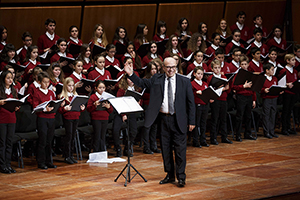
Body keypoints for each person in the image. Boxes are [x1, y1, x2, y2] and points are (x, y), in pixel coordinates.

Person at [124, 57, 195, 187]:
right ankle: (170, 174)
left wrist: (192, 121)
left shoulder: (184, 81)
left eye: (173, 67)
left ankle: (181, 176)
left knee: (180, 151)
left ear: (177, 66)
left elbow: (191, 103)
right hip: (163, 119)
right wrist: (130, 74)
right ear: (163, 67)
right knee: (166, 149)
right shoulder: (157, 79)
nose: (171, 69)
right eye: (168, 67)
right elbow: (142, 83)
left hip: (179, 119)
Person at [32, 71, 63, 169]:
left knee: (50, 140)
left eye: (48, 82)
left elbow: (54, 103)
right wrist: (45, 109)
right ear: (40, 82)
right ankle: (41, 162)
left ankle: (49, 161)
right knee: (43, 140)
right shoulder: (37, 93)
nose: (46, 84)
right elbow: (35, 107)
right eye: (44, 82)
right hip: (42, 118)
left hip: (51, 118)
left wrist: (59, 105)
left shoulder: (51, 93)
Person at [58, 77, 85, 164]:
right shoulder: (62, 96)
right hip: (68, 118)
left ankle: (71, 155)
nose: (71, 87)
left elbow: (78, 107)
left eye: (72, 86)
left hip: (76, 117)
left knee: (73, 136)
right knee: (68, 137)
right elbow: (59, 110)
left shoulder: (75, 95)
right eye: (69, 86)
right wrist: (64, 108)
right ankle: (67, 156)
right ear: (65, 86)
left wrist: (82, 109)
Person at [206, 60, 232, 145]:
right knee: (215, 119)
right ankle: (213, 138)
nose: (217, 69)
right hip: (215, 100)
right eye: (215, 68)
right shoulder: (211, 78)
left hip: (223, 100)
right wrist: (221, 89)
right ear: (212, 69)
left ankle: (224, 137)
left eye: (218, 68)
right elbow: (209, 89)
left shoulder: (224, 77)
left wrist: (227, 88)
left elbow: (228, 90)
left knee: (223, 119)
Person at [232, 55, 257, 141]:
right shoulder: (238, 75)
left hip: (249, 96)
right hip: (241, 97)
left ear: (248, 64)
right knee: (239, 116)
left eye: (245, 64)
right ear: (239, 65)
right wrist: (243, 86)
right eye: (242, 64)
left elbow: (254, 88)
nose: (243, 66)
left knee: (248, 116)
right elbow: (234, 86)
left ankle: (248, 134)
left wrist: (254, 99)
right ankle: (238, 135)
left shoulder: (250, 74)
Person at [0, 70, 20, 174]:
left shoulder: (13, 90)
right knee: (2, 143)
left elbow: (16, 102)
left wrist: (17, 107)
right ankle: (2, 165)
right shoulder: (0, 90)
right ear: (3, 79)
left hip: (12, 118)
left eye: (11, 78)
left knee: (9, 142)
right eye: (8, 78)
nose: (10, 80)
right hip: (2, 119)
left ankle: (8, 164)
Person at [87, 80, 113, 152]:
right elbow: (88, 109)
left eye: (103, 88)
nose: (102, 89)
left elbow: (111, 111)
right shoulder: (93, 97)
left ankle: (102, 151)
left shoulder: (107, 96)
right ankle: (96, 151)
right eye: (100, 88)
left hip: (105, 118)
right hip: (96, 118)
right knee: (97, 136)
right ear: (96, 88)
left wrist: (108, 107)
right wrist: (94, 105)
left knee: (103, 136)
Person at [191, 66, 211, 147]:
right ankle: (195, 141)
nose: (200, 76)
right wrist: (196, 93)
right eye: (198, 74)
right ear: (194, 74)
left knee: (203, 123)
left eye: (202, 74)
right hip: (197, 105)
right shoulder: (192, 84)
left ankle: (203, 140)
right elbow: (190, 95)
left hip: (205, 105)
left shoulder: (205, 84)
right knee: (197, 123)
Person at [278, 54, 298, 135]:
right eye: (293, 60)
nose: (294, 62)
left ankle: (289, 127)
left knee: (290, 110)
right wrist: (287, 84)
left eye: (294, 60)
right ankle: (284, 128)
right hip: (287, 93)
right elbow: (280, 82)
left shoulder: (295, 71)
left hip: (294, 92)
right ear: (288, 61)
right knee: (285, 111)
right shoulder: (283, 71)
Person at [261, 63, 282, 139]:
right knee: (266, 115)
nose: (273, 71)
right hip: (267, 98)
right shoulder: (262, 78)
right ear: (267, 70)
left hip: (274, 98)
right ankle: (266, 132)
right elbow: (259, 89)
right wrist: (264, 90)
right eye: (272, 69)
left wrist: (279, 90)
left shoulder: (275, 79)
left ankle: (272, 131)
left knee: (273, 115)